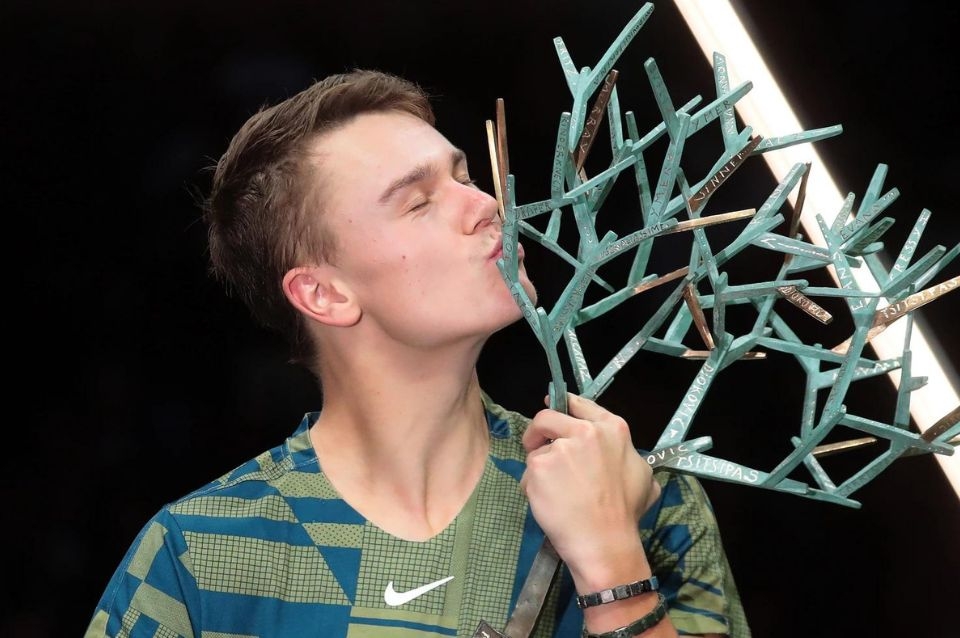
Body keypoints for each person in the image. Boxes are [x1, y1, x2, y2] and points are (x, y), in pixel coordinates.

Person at [84, 69, 749, 638]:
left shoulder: (640, 498)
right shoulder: (201, 556)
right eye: (418, 202)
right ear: (323, 293)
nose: (485, 204)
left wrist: (613, 567)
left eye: (464, 176)